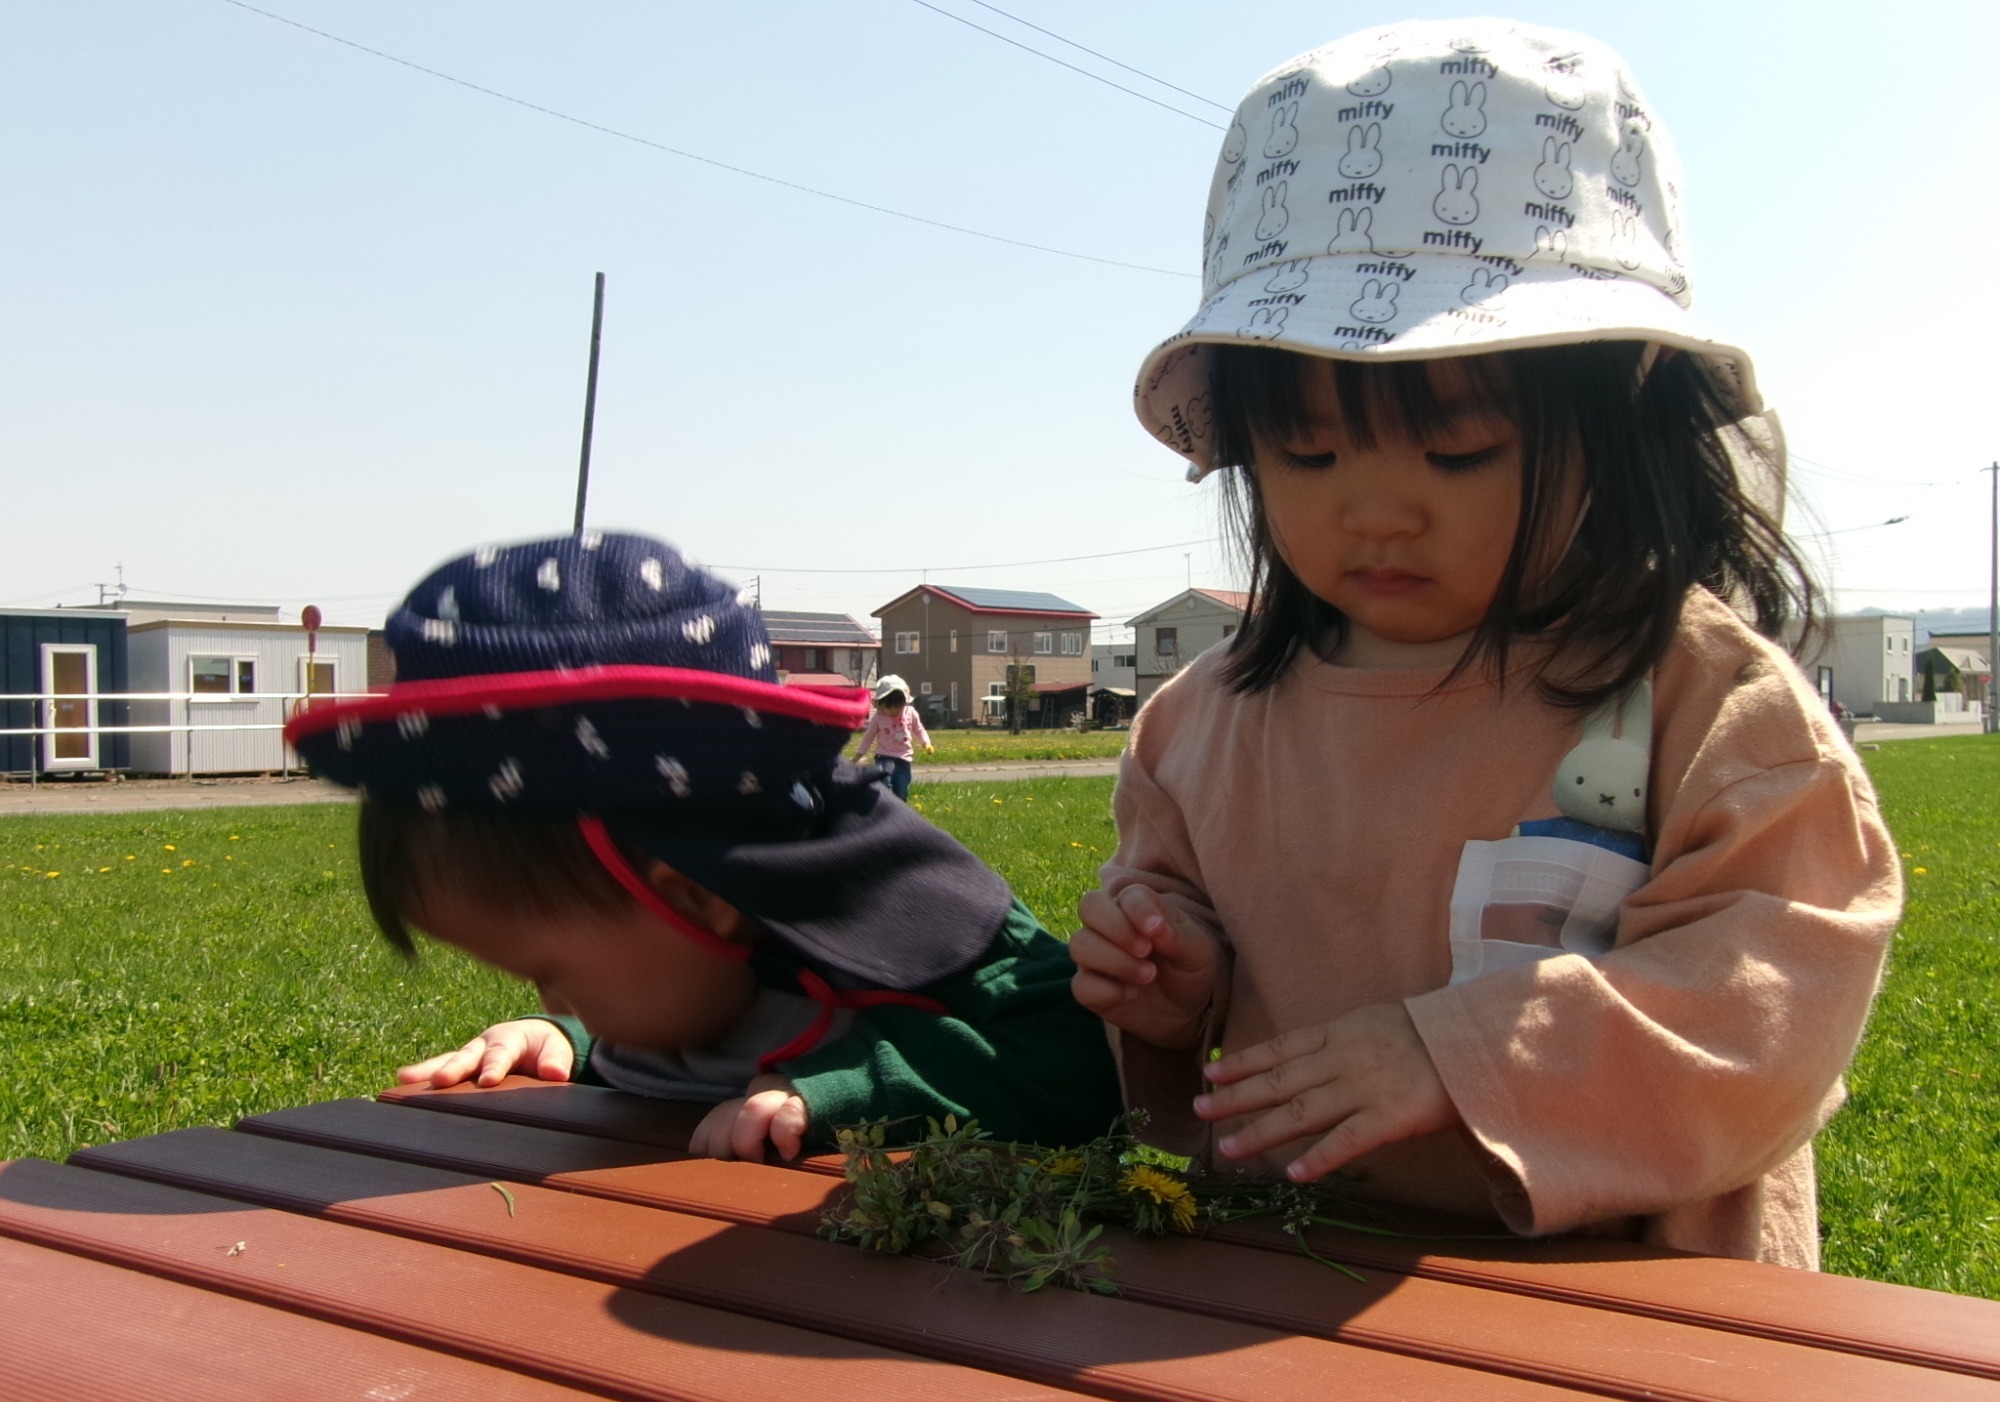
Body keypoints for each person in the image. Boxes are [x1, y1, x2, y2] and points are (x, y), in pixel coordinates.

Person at [1068, 19, 1901, 1268]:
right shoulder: (1201, 727)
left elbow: (1769, 1003)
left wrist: (1457, 1054)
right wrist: (1166, 986)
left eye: (1456, 449)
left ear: (1617, 408)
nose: (1376, 510)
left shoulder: (1707, 706)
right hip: (1291, 1295)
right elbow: (1172, 991)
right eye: (1307, 450)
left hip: (1642, 1326)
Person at [287, 532, 1119, 1163]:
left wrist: (847, 1092)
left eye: (554, 972)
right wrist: (570, 1046)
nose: (549, 993)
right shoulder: (689, 967)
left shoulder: (932, 937)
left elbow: (1081, 1071)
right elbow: (696, 1034)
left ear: (694, 896)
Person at [850, 674, 932, 801]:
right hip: (884, 757)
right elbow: (868, 737)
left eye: (898, 706)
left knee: (901, 790)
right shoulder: (878, 718)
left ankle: (899, 810)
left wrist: (926, 743)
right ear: (880, 704)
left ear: (905, 702)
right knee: (884, 785)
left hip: (903, 760)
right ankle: (883, 808)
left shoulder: (910, 713)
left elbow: (919, 729)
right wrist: (857, 757)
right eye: (889, 707)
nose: (894, 710)